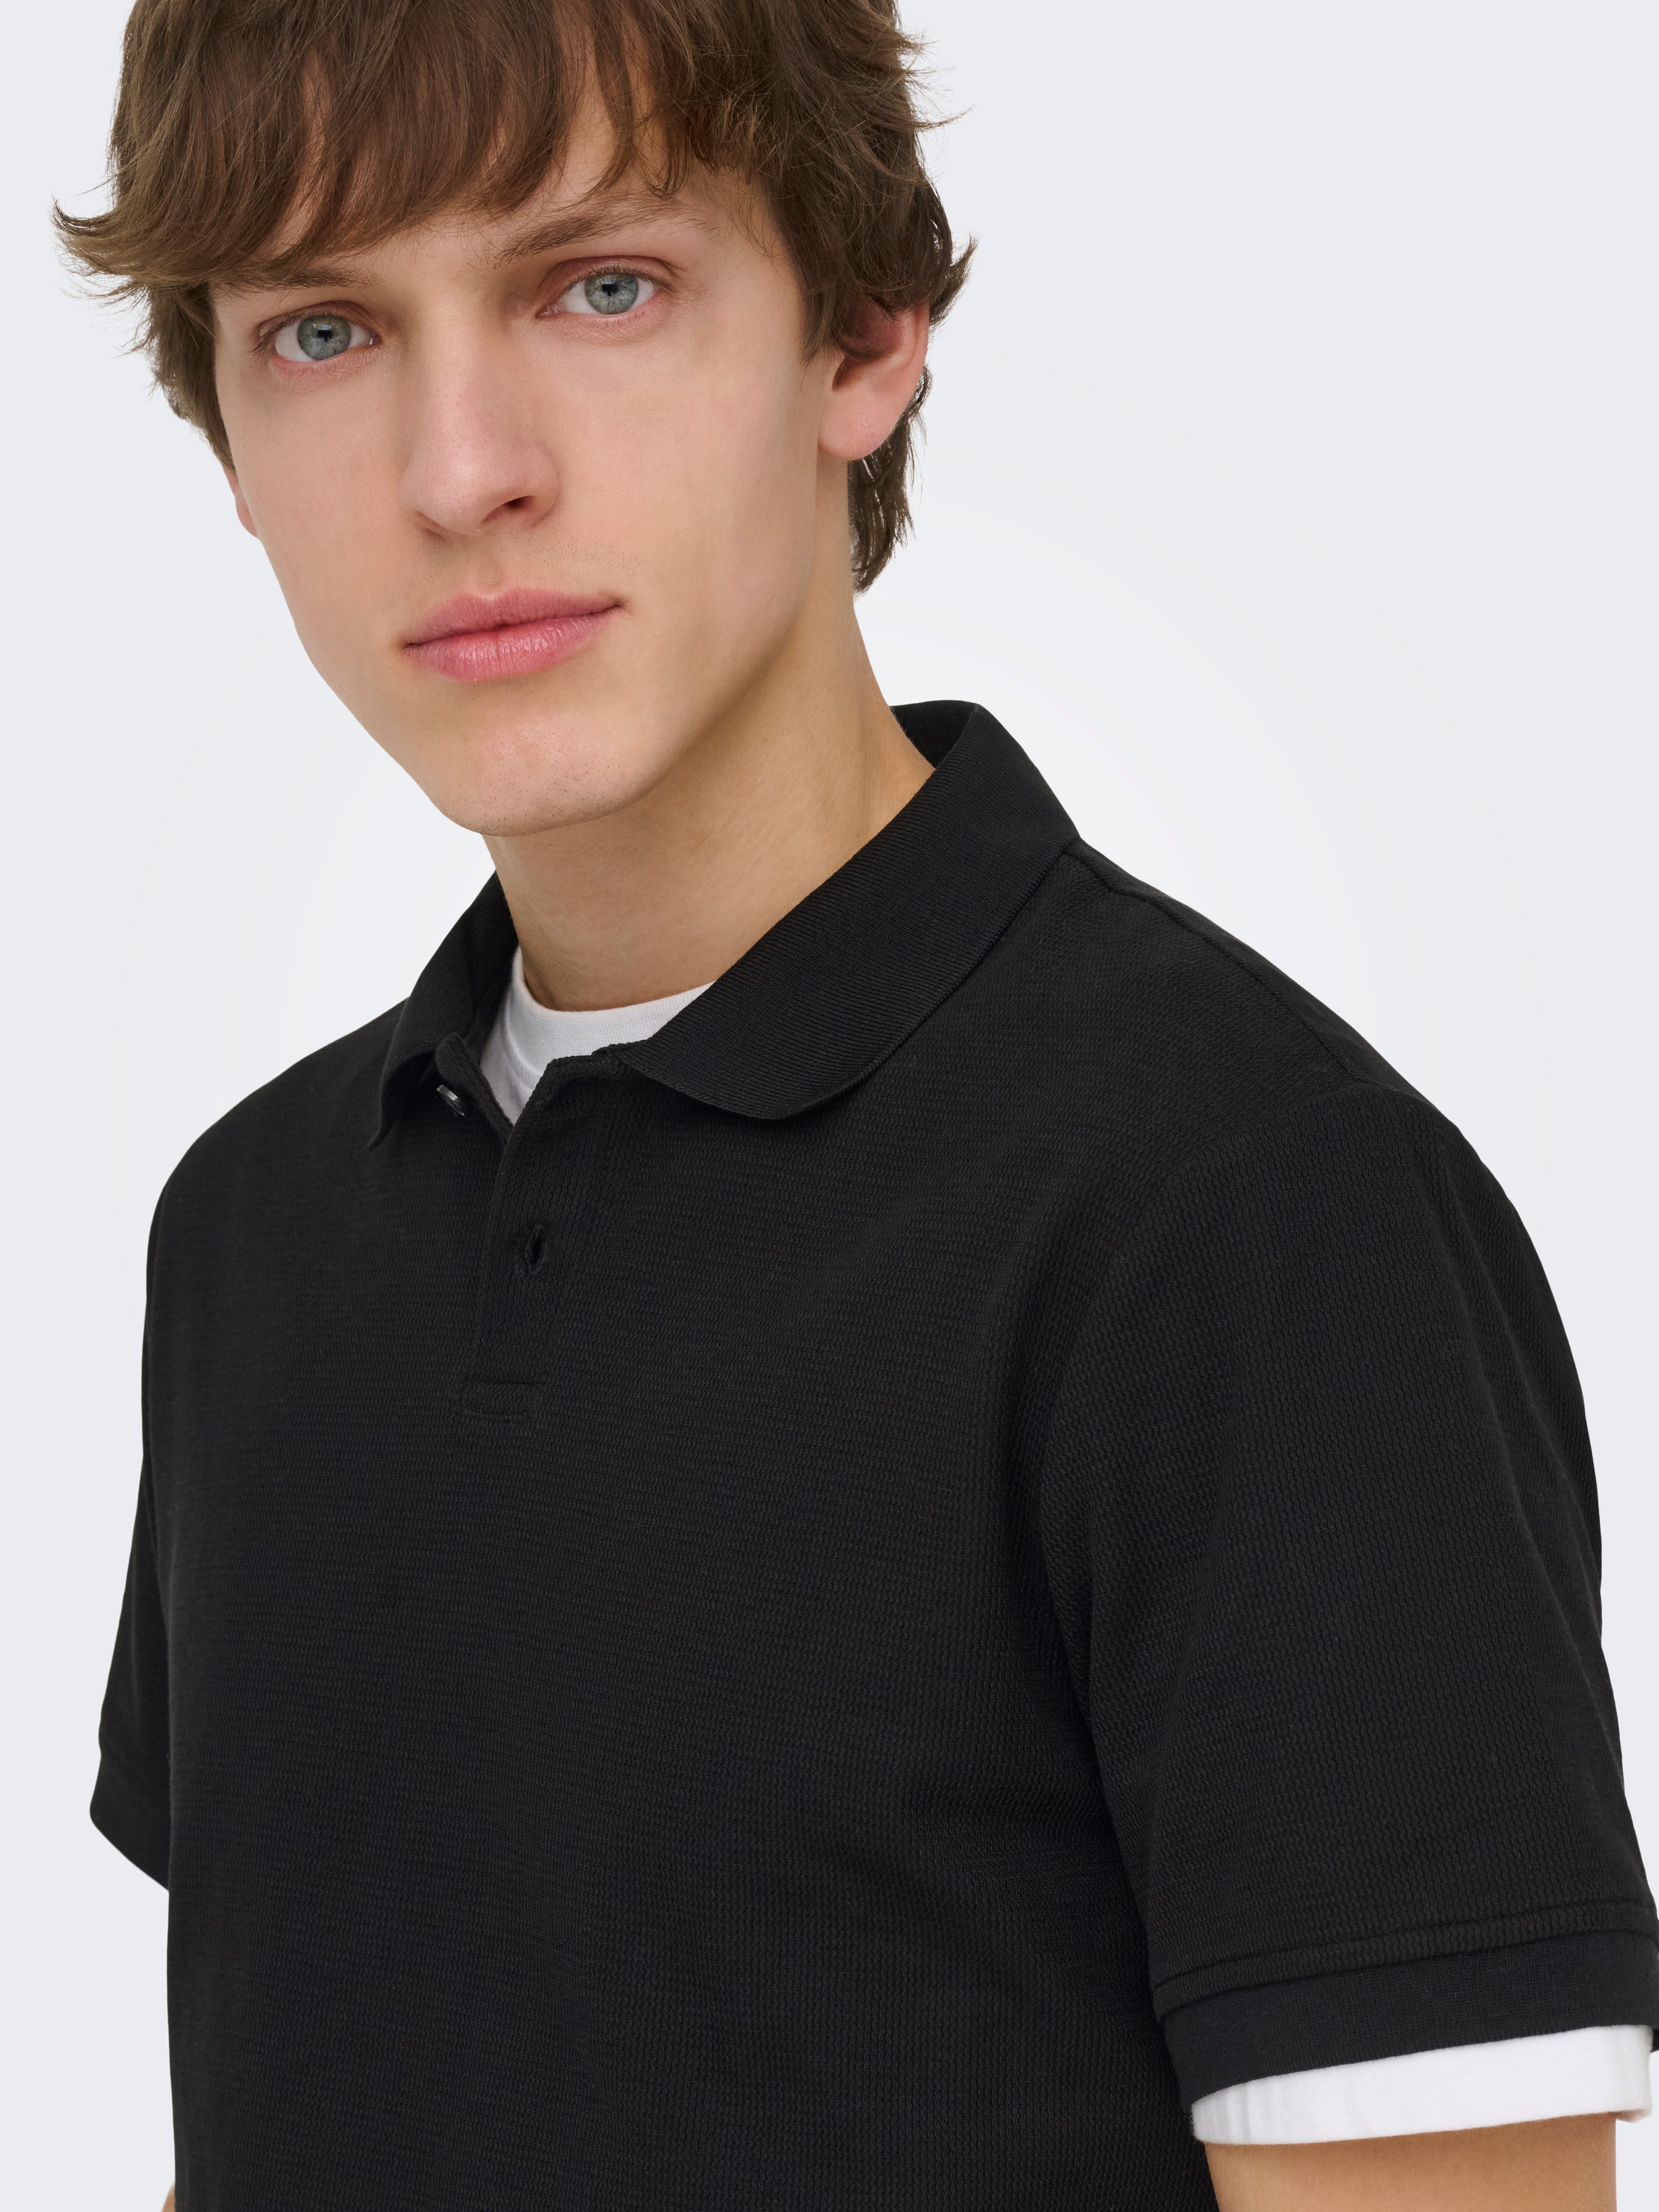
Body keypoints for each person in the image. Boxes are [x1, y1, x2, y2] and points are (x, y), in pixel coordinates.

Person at [61, 2, 1655, 2206]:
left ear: (865, 333)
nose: (459, 471)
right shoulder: (255, 1225)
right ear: (226, 438)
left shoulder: (1240, 1203)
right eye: (322, 333)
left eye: (600, 287)